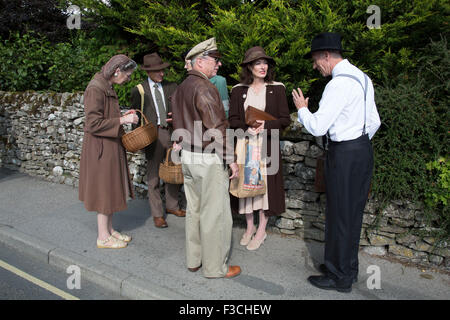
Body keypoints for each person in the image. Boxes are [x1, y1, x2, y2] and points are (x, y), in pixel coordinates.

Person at [292, 32, 381, 293]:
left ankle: (337, 276)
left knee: (339, 215)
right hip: (361, 150)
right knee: (351, 215)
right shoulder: (363, 78)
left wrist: (301, 109)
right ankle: (346, 269)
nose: (314, 65)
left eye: (316, 59)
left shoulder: (338, 84)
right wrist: (357, 142)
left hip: (343, 155)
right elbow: (374, 121)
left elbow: (318, 126)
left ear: (327, 56)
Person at [171, 37, 241, 279]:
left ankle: (194, 260)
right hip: (207, 158)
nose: (218, 65)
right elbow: (216, 128)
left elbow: (177, 122)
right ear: (200, 62)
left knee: (195, 210)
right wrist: (231, 159)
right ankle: (215, 268)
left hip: (188, 156)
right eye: (215, 60)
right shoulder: (205, 88)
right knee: (216, 214)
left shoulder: (182, 87)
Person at [228, 46, 290, 251]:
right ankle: (249, 226)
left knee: (265, 191)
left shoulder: (277, 88)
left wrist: (266, 125)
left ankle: (262, 230)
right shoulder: (238, 90)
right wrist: (246, 127)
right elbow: (233, 120)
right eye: (257, 63)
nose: (262, 67)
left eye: (265, 63)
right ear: (249, 67)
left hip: (267, 147)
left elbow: (284, 119)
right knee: (247, 188)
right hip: (245, 145)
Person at [79, 54, 139, 249]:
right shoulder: (95, 89)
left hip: (109, 146)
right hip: (101, 150)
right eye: (127, 75)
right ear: (117, 71)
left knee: (111, 188)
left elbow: (105, 117)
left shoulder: (106, 85)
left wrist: (122, 115)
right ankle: (103, 237)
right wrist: (122, 121)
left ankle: (110, 230)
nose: (128, 79)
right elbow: (93, 123)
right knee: (104, 190)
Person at [130, 53, 185, 229]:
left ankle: (172, 206)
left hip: (171, 134)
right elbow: (136, 117)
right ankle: (157, 214)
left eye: (163, 70)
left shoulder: (172, 86)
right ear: (149, 71)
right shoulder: (139, 90)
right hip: (152, 136)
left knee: (174, 170)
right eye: (158, 71)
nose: (162, 73)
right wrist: (138, 140)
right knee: (153, 176)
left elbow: (180, 112)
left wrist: (179, 136)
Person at [184, 51, 230, 117]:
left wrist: (225, 127)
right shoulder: (186, 84)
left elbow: (225, 110)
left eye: (186, 63)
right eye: (216, 61)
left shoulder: (219, 81)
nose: (185, 67)